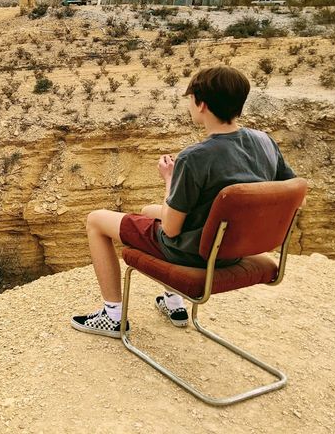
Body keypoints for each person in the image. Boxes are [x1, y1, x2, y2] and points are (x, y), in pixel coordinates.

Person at [72, 65, 297, 337]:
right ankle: (173, 303)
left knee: (96, 220)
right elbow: (295, 196)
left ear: (201, 104)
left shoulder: (195, 158)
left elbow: (170, 229)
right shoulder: (265, 142)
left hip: (196, 254)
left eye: (190, 99)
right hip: (233, 250)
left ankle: (112, 315)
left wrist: (169, 179)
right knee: (147, 211)